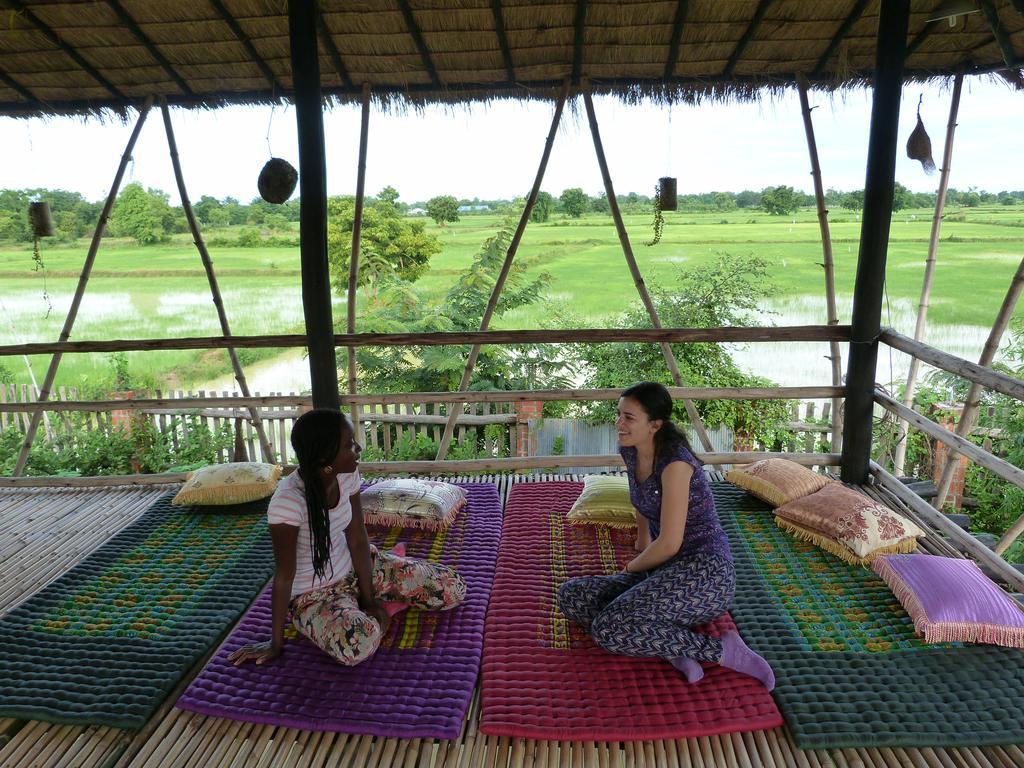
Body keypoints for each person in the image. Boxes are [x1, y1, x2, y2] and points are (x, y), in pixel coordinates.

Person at [557, 382, 774, 690]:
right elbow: (642, 502)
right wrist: (642, 548)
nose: (619, 423)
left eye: (629, 417)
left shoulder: (676, 465)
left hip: (705, 574)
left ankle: (723, 651)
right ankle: (666, 643)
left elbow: (671, 543)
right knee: (572, 596)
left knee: (608, 629)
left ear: (655, 425)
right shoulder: (631, 451)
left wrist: (633, 568)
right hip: (663, 569)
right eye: (619, 414)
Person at [229, 408, 466, 667]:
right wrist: (275, 644)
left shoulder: (347, 475)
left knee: (452, 588)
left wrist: (369, 599)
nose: (358, 448)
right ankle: (356, 611)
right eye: (349, 444)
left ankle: (368, 603)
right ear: (325, 457)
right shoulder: (288, 503)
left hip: (356, 569)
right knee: (359, 644)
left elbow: (357, 538)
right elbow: (284, 575)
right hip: (314, 596)